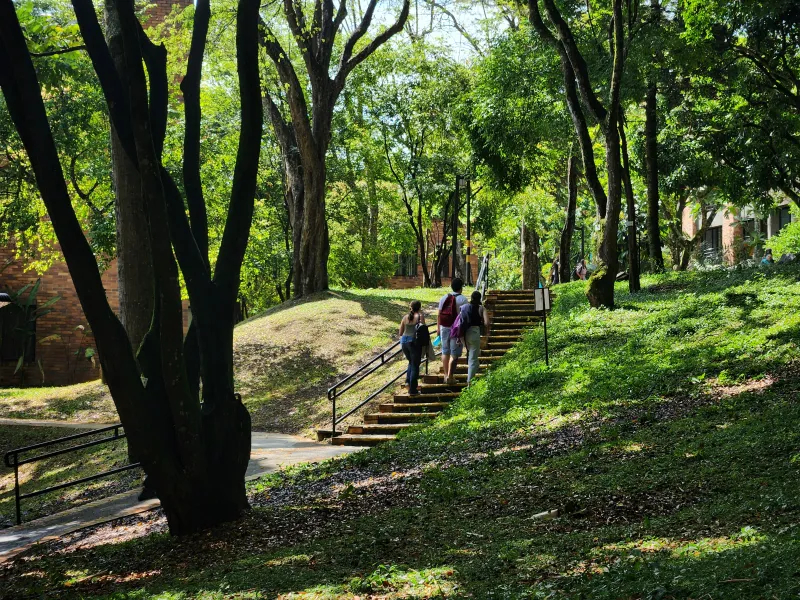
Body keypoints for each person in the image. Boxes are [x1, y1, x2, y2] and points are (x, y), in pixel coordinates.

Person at [438, 277, 468, 384]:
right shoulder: (463, 299)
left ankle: (446, 376)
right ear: (461, 288)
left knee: (445, 351)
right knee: (454, 354)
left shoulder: (444, 297)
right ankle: (451, 376)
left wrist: (438, 328)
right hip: (456, 329)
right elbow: (464, 316)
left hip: (444, 326)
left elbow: (439, 314)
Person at [459, 291, 490, 386]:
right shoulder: (481, 308)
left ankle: (475, 368)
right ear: (479, 298)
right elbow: (486, 323)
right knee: (473, 358)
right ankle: (469, 381)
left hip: (463, 334)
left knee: (473, 355)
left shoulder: (464, 307)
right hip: (474, 332)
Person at [398, 300, 425, 395]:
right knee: (415, 365)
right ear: (419, 307)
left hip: (404, 341)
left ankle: (407, 382)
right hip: (413, 342)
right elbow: (423, 330)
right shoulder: (420, 316)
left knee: (411, 362)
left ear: (410, 307)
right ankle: (413, 390)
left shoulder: (405, 317)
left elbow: (400, 333)